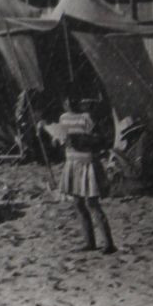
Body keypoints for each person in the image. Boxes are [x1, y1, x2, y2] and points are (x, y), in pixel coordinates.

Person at [58, 96, 117, 254]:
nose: (70, 103)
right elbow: (62, 139)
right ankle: (89, 241)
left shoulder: (86, 118)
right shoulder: (63, 119)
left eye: (73, 100)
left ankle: (108, 243)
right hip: (72, 162)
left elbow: (98, 139)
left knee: (92, 203)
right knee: (78, 203)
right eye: (67, 101)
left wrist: (81, 140)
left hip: (88, 163)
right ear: (63, 103)